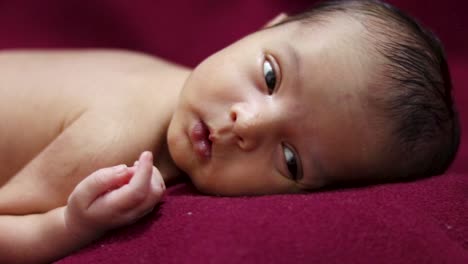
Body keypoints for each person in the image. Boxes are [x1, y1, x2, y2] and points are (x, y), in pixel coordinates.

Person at [0, 0, 460, 262]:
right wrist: (65, 225)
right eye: (270, 76)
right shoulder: (117, 138)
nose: (249, 124)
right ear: (268, 27)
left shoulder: (178, 88)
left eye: (290, 160)